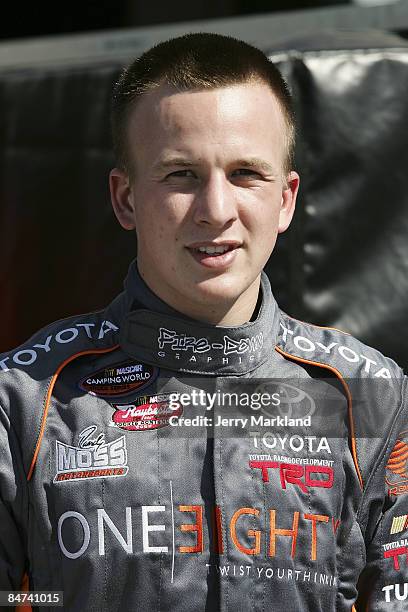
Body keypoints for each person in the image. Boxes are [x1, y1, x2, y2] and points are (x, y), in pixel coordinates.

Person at [0, 32, 407, 612]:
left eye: (246, 174)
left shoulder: (371, 396)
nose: (216, 210)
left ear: (287, 200)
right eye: (180, 175)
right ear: (125, 199)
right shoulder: (21, 399)